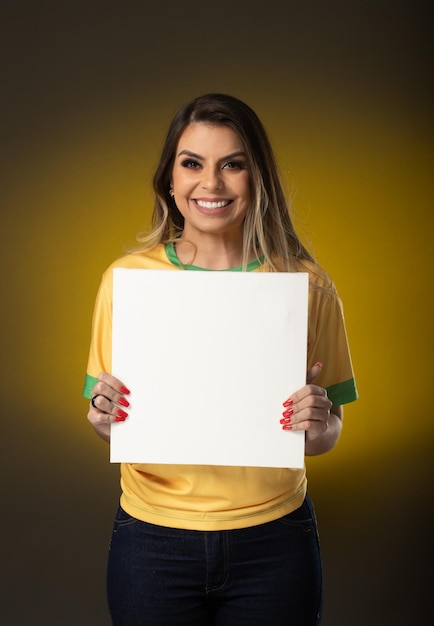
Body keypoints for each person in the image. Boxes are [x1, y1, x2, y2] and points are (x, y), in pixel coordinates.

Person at [83, 93, 358, 626]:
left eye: (233, 164)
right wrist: (102, 418)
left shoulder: (307, 288)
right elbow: (111, 422)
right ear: (170, 178)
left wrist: (316, 423)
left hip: (275, 539)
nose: (211, 184)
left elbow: (327, 435)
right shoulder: (126, 282)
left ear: (258, 179)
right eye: (192, 164)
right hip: (151, 539)